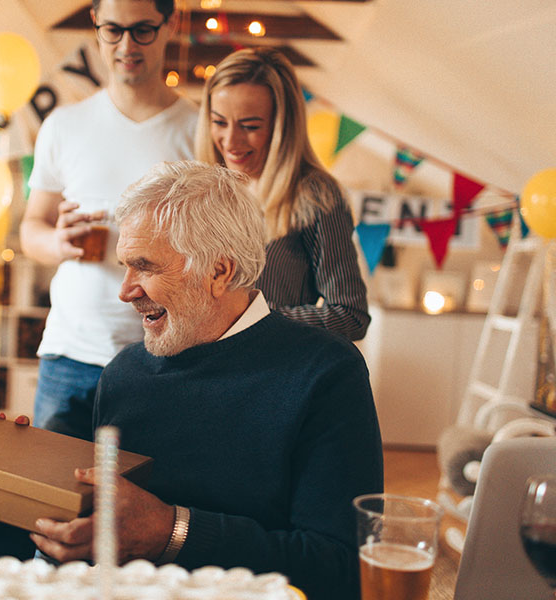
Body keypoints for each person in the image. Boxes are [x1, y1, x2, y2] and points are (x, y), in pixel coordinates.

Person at [30, 162, 384, 600]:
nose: (125, 290)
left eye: (145, 267)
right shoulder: (123, 373)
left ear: (219, 272)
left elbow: (340, 569)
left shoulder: (328, 373)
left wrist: (173, 530)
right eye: (125, 266)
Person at [20, 0, 199, 440]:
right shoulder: (64, 125)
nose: (126, 45)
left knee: (147, 497)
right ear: (95, 24)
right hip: (69, 355)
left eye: (142, 30)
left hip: (162, 354)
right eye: (113, 30)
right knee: (53, 495)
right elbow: (31, 228)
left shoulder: (198, 130)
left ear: (170, 24)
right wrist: (59, 242)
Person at [195, 47, 370, 341]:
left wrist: (252, 320)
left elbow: (350, 316)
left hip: (269, 372)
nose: (231, 141)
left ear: (282, 125)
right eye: (219, 122)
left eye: (250, 126)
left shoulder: (315, 195)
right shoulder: (202, 189)